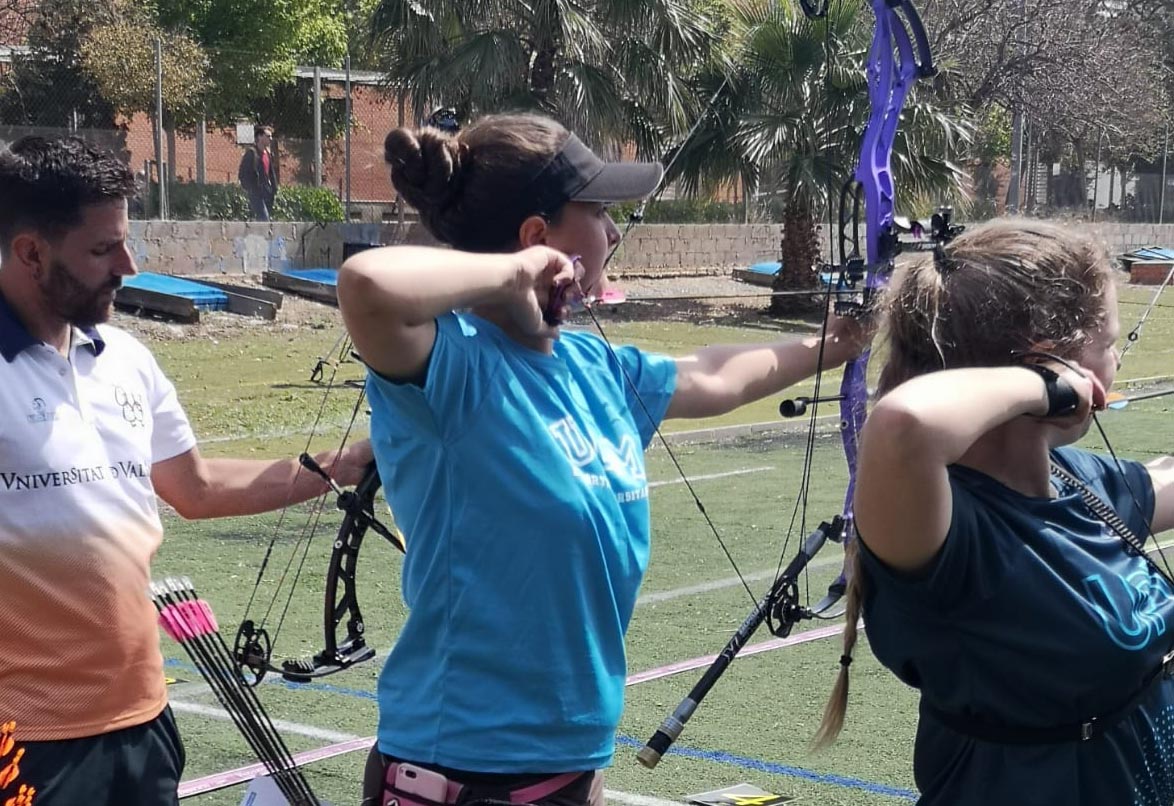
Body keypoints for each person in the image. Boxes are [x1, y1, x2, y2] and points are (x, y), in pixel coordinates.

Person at [336, 112, 869, 806]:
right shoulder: (451, 366)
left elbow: (715, 373)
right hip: (459, 768)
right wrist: (518, 273)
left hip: (568, 765)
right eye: (599, 211)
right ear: (537, 236)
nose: (615, 231)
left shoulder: (594, 365)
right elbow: (367, 283)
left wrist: (835, 345)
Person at [0, 135, 372, 805]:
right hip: (22, 741)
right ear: (30, 252)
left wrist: (344, 465)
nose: (129, 265)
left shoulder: (125, 360)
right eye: (101, 249)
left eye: (126, 240)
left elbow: (194, 488)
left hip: (143, 726)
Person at [815, 219, 1174, 804]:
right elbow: (905, 424)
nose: (1116, 363)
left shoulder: (1075, 482)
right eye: (1107, 345)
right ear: (1050, 363)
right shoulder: (943, 528)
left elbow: (1166, 481)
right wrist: (1044, 387)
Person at [238, 124, 278, 221]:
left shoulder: (267, 154)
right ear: (259, 137)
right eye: (268, 136)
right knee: (264, 218)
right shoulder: (252, 153)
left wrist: (274, 188)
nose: (271, 139)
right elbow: (243, 173)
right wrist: (250, 188)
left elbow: (270, 172)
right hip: (256, 192)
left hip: (267, 191)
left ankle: (257, 235)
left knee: (264, 218)